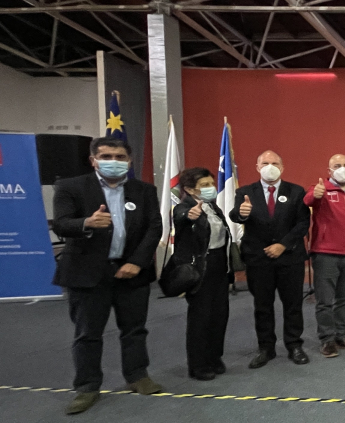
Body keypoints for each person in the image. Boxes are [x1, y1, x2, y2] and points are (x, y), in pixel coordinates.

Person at [51, 137, 163, 415]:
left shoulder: (144, 190)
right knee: (87, 333)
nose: (113, 161)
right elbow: (61, 224)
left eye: (120, 157)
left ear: (129, 160)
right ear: (93, 160)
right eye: (106, 156)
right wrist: (86, 222)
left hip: (131, 272)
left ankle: (137, 375)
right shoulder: (71, 187)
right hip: (87, 273)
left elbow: (154, 228)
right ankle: (87, 386)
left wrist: (137, 262)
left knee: (135, 329)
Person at [230, 150, 311, 369]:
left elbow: (303, 223)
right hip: (259, 259)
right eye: (265, 163)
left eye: (275, 163)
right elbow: (235, 216)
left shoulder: (296, 191)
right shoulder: (245, 192)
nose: (270, 166)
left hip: (290, 257)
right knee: (262, 306)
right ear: (257, 167)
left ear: (282, 167)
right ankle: (266, 348)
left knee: (293, 305)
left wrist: (283, 245)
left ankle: (294, 345)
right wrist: (242, 213)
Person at [172, 167, 234, 382]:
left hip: (219, 265)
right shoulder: (184, 207)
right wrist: (189, 216)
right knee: (201, 317)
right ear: (190, 189)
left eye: (211, 184)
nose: (211, 188)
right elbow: (181, 217)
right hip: (200, 268)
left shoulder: (213, 206)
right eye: (204, 185)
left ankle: (215, 357)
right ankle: (197, 364)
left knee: (220, 314)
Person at [305, 154, 345, 358]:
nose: (342, 168)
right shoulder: (320, 190)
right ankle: (327, 339)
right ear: (329, 170)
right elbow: (307, 201)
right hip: (326, 255)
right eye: (337, 165)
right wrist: (316, 194)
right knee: (324, 301)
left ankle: (342, 335)